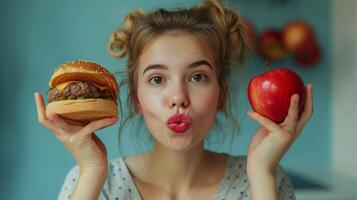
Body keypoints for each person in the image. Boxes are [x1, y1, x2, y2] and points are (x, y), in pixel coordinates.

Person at [34, 0, 313, 199]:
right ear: (136, 98)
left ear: (221, 94)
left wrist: (262, 175)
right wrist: (92, 171)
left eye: (198, 77)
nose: (179, 97)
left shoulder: (267, 178)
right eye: (157, 79)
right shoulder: (91, 181)